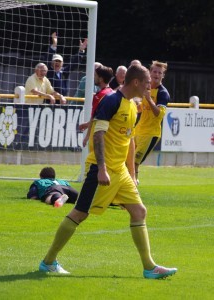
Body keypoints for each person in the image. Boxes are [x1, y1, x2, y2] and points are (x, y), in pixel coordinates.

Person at [38, 64, 177, 279]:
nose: (150, 87)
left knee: (139, 211)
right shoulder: (112, 101)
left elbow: (129, 142)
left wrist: (132, 174)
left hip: (120, 171)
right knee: (79, 213)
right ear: (136, 82)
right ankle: (48, 262)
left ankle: (149, 267)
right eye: (147, 83)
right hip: (101, 169)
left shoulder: (133, 106)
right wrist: (101, 168)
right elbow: (98, 135)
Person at [134, 61, 170, 182]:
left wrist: (149, 99)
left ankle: (132, 190)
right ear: (150, 72)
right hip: (138, 129)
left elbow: (159, 114)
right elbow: (142, 108)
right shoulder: (146, 87)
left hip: (150, 133)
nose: (156, 74)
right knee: (127, 159)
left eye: (160, 72)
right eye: (154, 71)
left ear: (163, 76)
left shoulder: (163, 93)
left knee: (134, 162)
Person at [79, 65, 114, 147]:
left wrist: (87, 136)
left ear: (101, 79)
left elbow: (93, 116)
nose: (93, 77)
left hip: (98, 136)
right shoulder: (111, 92)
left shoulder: (99, 96)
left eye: (95, 75)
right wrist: (87, 124)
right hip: (109, 136)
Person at [46, 32, 87, 97]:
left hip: (63, 100)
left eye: (59, 61)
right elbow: (47, 59)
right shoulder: (49, 71)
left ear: (62, 63)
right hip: (51, 100)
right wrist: (54, 45)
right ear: (51, 62)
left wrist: (81, 51)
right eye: (55, 61)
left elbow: (74, 64)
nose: (57, 63)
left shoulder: (64, 72)